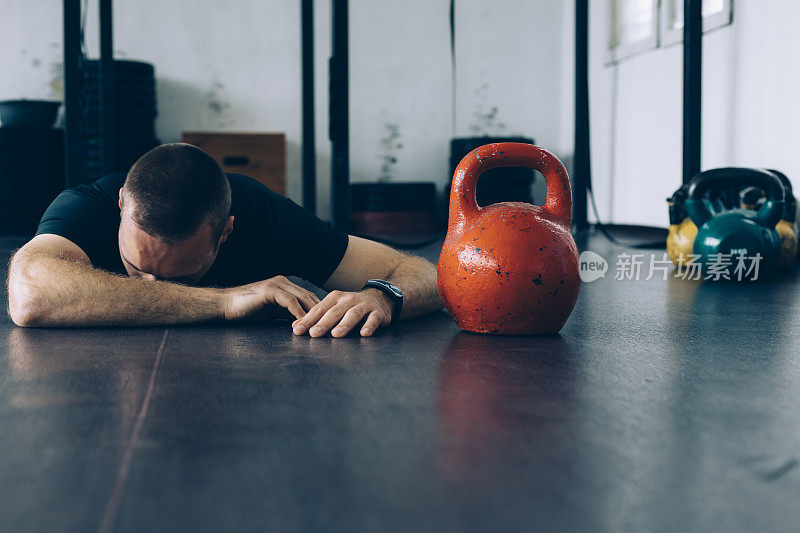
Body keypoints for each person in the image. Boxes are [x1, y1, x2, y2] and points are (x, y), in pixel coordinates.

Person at [7, 143, 442, 337]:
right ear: (122, 205)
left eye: (186, 273)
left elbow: (421, 272)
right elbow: (28, 295)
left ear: (226, 231)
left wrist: (382, 297)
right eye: (137, 267)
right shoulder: (88, 205)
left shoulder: (264, 216)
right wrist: (224, 300)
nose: (152, 286)